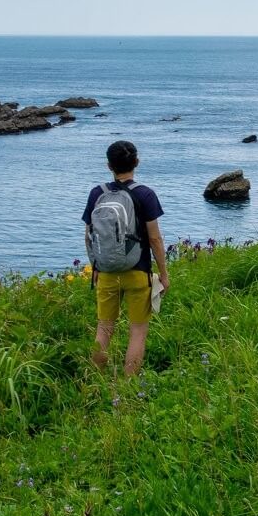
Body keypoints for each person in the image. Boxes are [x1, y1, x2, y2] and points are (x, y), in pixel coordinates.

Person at [82, 140, 169, 376]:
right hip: (138, 271)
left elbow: (89, 235)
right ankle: (129, 389)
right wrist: (163, 273)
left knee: (104, 329)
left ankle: (95, 380)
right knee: (138, 331)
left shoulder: (97, 193)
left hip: (107, 271)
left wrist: (96, 265)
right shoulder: (145, 194)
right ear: (137, 163)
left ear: (109, 165)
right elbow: (155, 240)